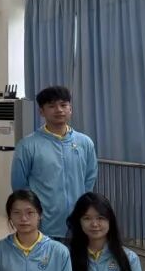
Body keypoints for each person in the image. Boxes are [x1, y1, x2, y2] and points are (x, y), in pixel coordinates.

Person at [11, 86, 98, 243]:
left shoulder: (85, 143)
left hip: (77, 225)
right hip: (44, 226)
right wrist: (32, 216)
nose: (59, 110)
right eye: (51, 106)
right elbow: (20, 186)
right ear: (41, 112)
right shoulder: (28, 145)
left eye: (63, 105)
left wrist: (84, 210)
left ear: (70, 109)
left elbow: (89, 179)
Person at [67, 193, 143, 271]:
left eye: (100, 218)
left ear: (110, 220)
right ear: (79, 221)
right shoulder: (67, 256)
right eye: (87, 218)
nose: (94, 224)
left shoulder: (129, 258)